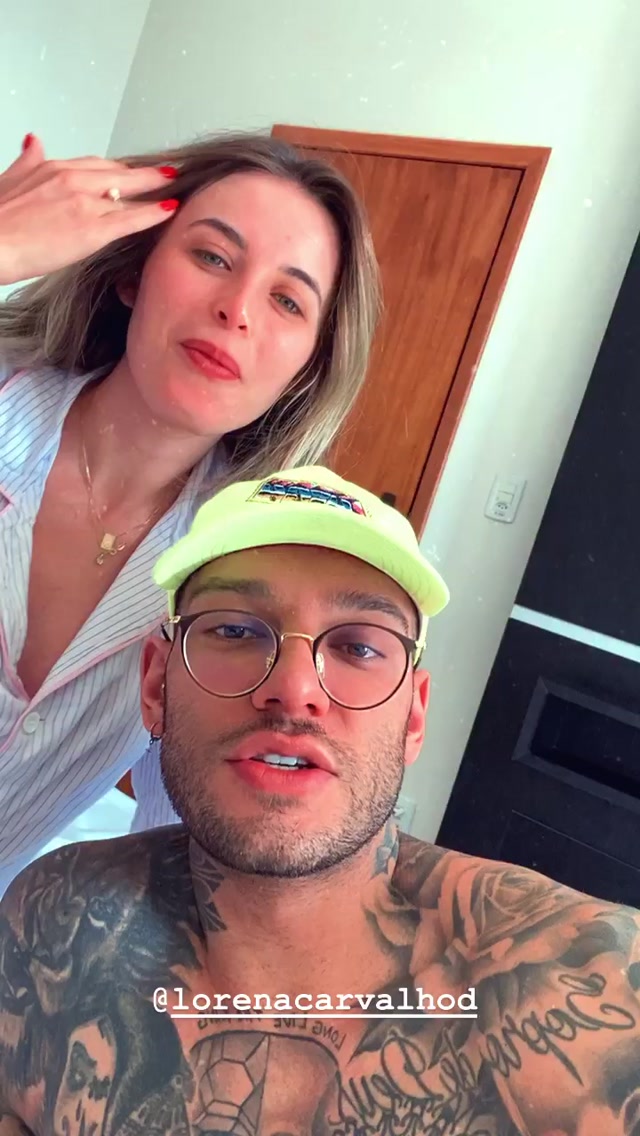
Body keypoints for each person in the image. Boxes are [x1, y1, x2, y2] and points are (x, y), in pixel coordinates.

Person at [1, 466, 639, 1136]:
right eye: (235, 631)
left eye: (358, 646)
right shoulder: (51, 927)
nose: (295, 687)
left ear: (413, 718)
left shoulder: (599, 996)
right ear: (157, 684)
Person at [0, 129, 380, 895]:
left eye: (287, 300)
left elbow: (185, 855)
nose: (236, 310)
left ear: (307, 367)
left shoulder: (234, 573)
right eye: (211, 256)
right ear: (133, 273)